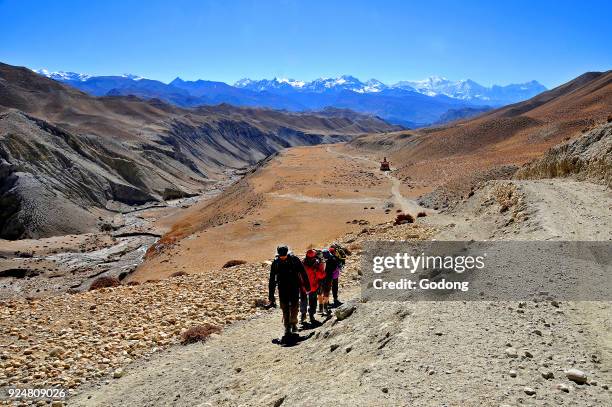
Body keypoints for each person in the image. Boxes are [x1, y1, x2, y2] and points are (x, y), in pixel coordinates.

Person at [269, 245, 310, 338]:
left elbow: (303, 272)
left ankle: (294, 323)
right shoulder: (276, 263)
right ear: (278, 254)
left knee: (295, 306)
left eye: (284, 255)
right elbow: (272, 279)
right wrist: (271, 296)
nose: (283, 257)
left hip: (294, 287)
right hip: (282, 288)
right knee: (284, 307)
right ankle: (287, 327)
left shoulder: (294, 260)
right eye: (281, 256)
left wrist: (307, 286)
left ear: (287, 253)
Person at [300, 249, 323, 324]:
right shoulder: (316, 264)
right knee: (312, 302)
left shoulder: (302, 264)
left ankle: (303, 315)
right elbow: (322, 276)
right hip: (313, 286)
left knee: (303, 300)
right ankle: (311, 315)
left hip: (304, 287)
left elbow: (298, 275)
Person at [318, 249, 337, 316]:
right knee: (326, 292)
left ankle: (320, 308)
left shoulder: (320, 261)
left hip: (321, 279)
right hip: (329, 279)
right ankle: (325, 307)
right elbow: (335, 269)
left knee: (320, 292)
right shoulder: (333, 259)